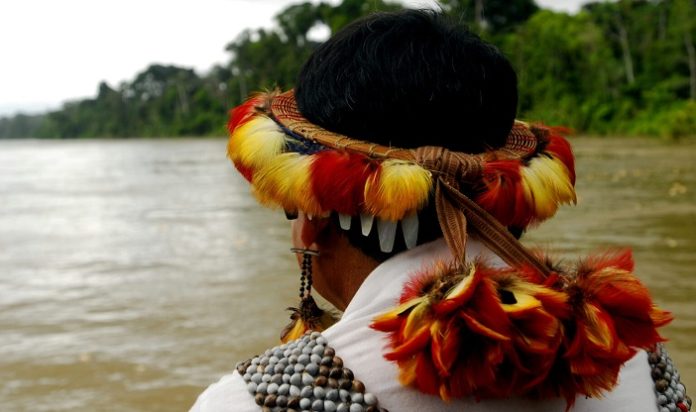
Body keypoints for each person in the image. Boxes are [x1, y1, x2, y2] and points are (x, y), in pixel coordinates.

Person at [191, 9, 690, 412]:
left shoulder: (251, 403)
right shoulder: (632, 353)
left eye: (291, 210)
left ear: (314, 215)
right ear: (511, 195)